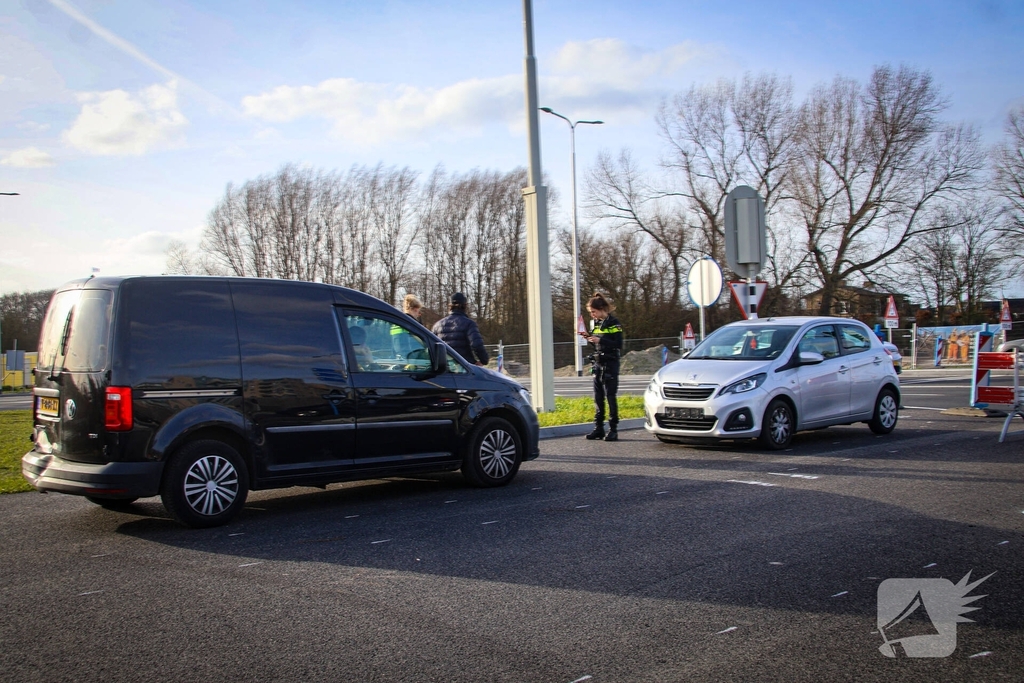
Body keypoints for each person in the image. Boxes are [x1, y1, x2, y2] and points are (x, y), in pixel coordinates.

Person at [582, 292, 623, 442]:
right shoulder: (597, 323)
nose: (592, 315)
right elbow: (598, 343)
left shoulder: (614, 323)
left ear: (601, 309)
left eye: (593, 311)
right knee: (598, 397)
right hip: (598, 363)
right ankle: (598, 428)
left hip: (610, 364)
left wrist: (600, 340)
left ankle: (613, 429)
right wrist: (589, 338)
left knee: (610, 396)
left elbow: (618, 344)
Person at [432, 292, 489, 366]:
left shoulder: (437, 325)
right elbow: (477, 345)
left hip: (444, 368)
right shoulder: (469, 324)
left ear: (450, 306)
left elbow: (432, 347)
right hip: (464, 367)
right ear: (465, 306)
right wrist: (484, 360)